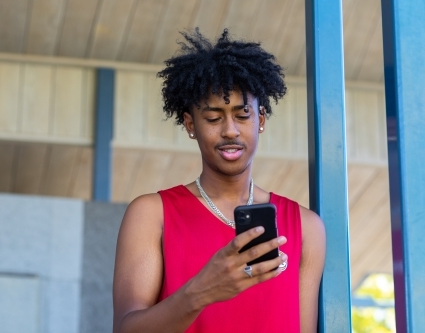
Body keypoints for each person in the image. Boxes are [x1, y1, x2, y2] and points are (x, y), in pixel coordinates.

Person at [113, 29, 326, 333]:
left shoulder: (306, 228)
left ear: (260, 120)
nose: (229, 130)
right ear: (190, 125)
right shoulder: (152, 214)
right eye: (213, 118)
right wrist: (202, 291)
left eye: (242, 115)